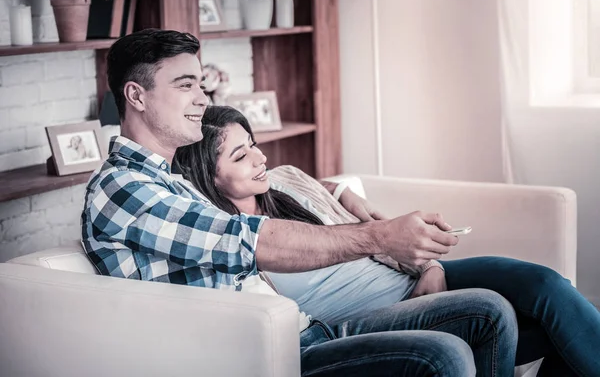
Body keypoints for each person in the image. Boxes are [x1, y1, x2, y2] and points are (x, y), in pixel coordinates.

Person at [82, 28, 520, 377]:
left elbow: (276, 200)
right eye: (184, 85)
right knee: (442, 355)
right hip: (259, 357)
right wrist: (382, 236)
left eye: (200, 84)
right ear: (136, 96)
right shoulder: (124, 188)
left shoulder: (174, 182)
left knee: (489, 311)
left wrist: (341, 193)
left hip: (304, 328)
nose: (202, 98)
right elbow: (250, 241)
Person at [175, 105, 600, 377]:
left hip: (408, 277)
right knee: (524, 322)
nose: (259, 157)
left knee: (546, 288)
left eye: (253, 144)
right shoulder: (227, 236)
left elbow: (369, 228)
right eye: (240, 155)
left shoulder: (286, 181)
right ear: (207, 177)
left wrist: (428, 266)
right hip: (378, 314)